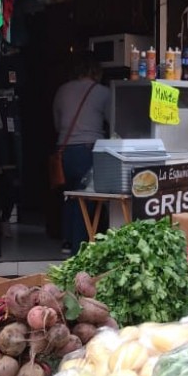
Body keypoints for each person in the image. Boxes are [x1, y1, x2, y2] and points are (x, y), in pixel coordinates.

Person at [52, 51, 110, 255]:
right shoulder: (103, 92)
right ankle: (80, 247)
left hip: (65, 152)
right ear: (96, 71)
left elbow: (58, 124)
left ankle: (67, 241)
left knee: (69, 196)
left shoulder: (62, 90)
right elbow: (114, 121)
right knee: (85, 199)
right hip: (89, 152)